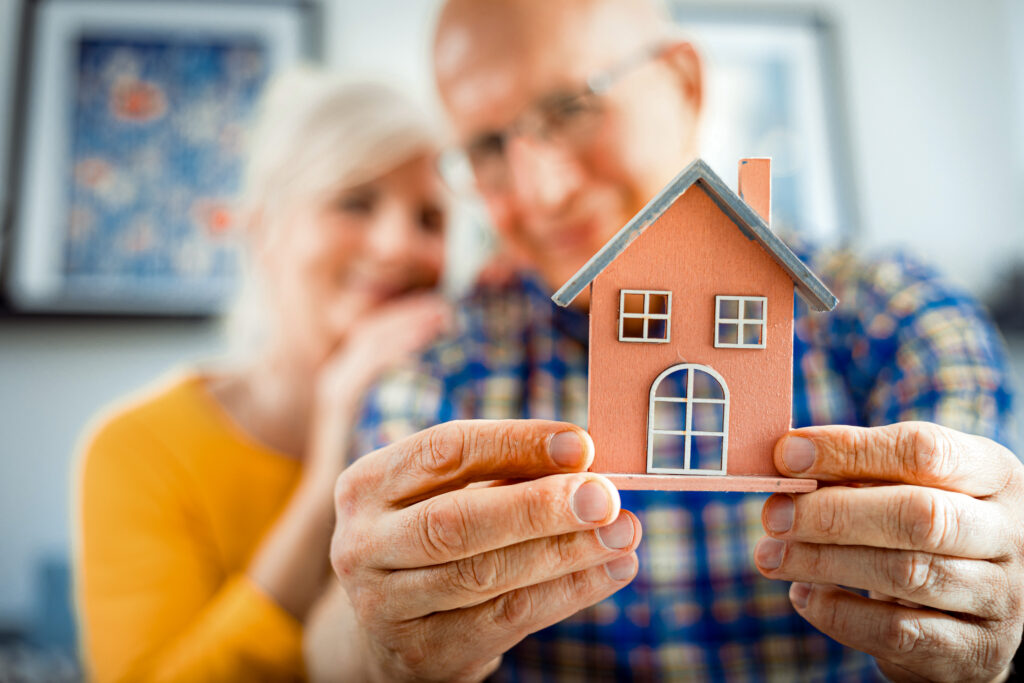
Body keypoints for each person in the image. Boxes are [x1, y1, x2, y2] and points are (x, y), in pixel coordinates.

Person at [305, 1, 1023, 681]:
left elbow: (984, 588)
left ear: (684, 82)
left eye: (571, 106)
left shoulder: (896, 318)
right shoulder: (437, 358)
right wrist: (381, 646)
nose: (542, 189)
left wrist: (976, 613)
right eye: (488, 146)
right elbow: (343, 618)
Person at [73, 67, 450, 681]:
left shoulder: (443, 434)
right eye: (355, 201)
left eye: (430, 220)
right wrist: (329, 469)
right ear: (263, 230)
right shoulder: (134, 448)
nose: (397, 246)